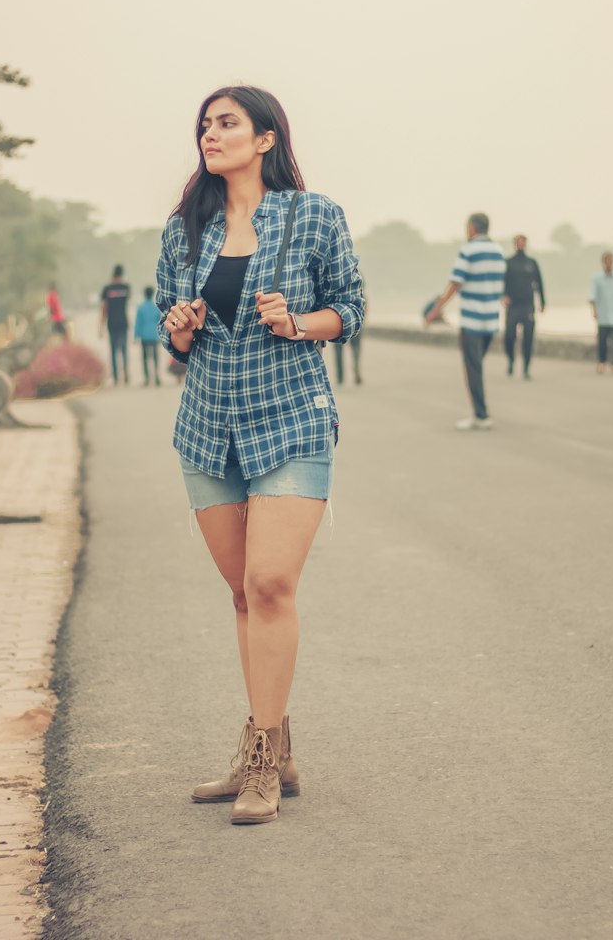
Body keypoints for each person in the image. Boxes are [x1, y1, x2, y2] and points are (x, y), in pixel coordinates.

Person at [156, 85, 364, 826]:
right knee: (243, 594)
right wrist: (180, 328)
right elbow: (170, 334)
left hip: (292, 419)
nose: (211, 135)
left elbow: (350, 308)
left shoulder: (314, 216)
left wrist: (298, 321)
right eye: (205, 125)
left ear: (266, 138)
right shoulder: (187, 228)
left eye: (227, 123)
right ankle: (277, 740)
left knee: (271, 583)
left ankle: (261, 759)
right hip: (210, 425)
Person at [424, 213, 506, 429]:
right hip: (491, 321)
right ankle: (481, 412)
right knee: (477, 366)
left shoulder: (468, 251)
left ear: (472, 228)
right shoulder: (498, 252)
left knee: (473, 368)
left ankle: (481, 415)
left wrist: (435, 310)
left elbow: (455, 283)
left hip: (472, 321)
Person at [503, 234, 545, 379]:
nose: (521, 245)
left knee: (528, 338)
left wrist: (543, 301)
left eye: (523, 242)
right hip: (513, 306)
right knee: (509, 336)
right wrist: (504, 296)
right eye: (518, 242)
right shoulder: (508, 262)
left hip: (528, 306)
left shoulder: (531, 263)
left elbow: (539, 283)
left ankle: (526, 368)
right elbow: (503, 282)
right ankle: (511, 360)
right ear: (515, 244)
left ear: (526, 244)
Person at [99, 264, 131, 384]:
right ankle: (126, 372)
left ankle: (116, 378)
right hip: (123, 322)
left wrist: (101, 327)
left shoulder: (107, 289)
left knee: (113, 351)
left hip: (111, 323)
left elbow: (104, 308)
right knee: (123, 350)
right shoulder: (126, 288)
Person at [133, 286, 162, 386]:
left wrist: (136, 336)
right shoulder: (156, 307)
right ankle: (157, 377)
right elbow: (160, 321)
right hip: (154, 335)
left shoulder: (141, 307)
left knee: (145, 358)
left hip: (144, 336)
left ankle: (147, 378)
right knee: (155, 357)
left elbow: (138, 323)